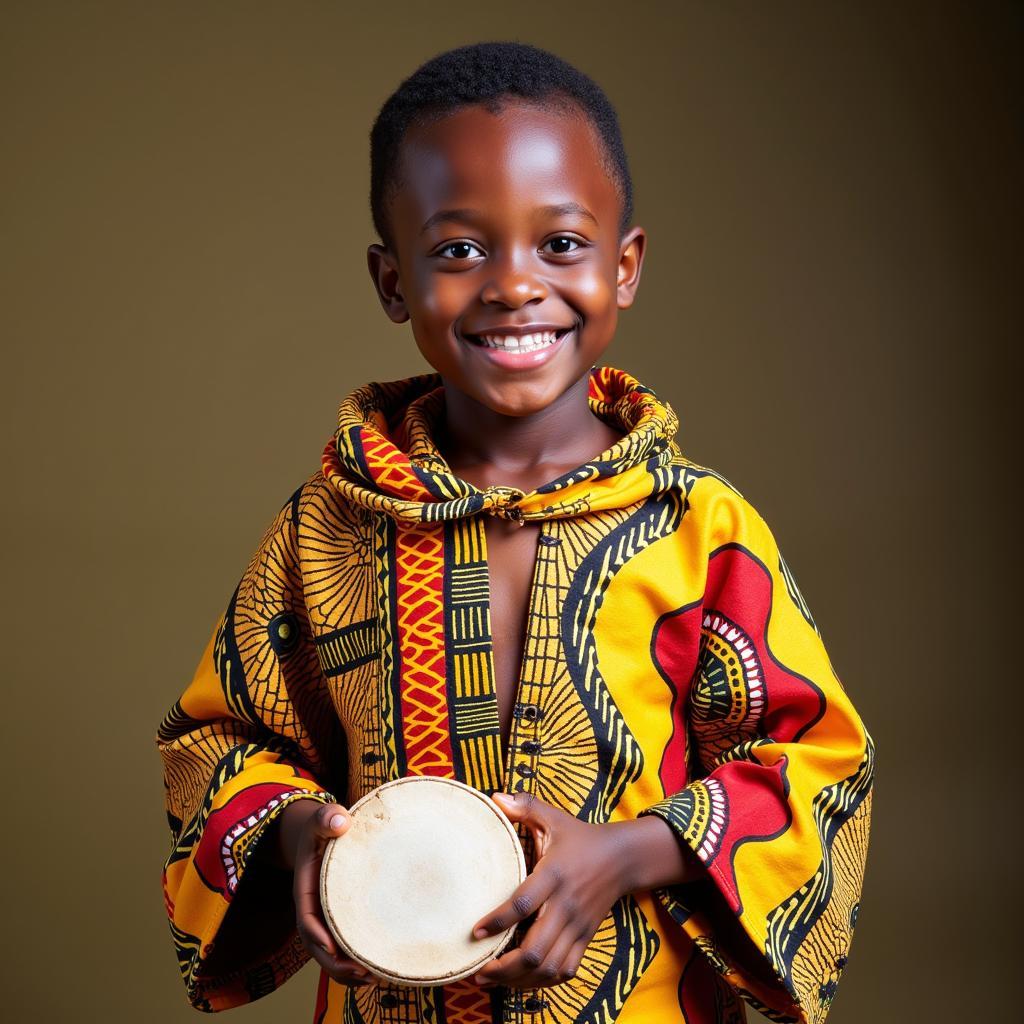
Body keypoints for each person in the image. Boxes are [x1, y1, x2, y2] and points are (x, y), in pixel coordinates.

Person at [156, 41, 874, 1024]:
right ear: (391, 281)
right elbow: (218, 737)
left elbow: (813, 758)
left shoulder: (697, 526)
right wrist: (294, 836)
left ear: (624, 268)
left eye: (562, 244)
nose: (512, 285)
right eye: (458, 250)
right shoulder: (325, 527)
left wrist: (622, 853)